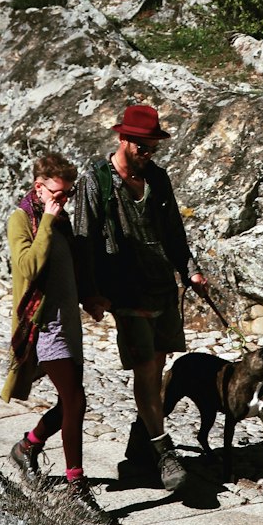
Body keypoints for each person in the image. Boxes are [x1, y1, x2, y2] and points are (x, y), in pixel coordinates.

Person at [72, 103, 206, 494]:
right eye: (143, 147)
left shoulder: (158, 179)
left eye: (153, 147)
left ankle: (141, 441)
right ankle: (164, 454)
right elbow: (84, 242)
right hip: (125, 292)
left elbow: (174, 232)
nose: (148, 154)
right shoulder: (95, 181)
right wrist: (91, 294)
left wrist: (190, 269)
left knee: (157, 368)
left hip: (161, 286)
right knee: (146, 368)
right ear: (124, 139)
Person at [1, 152, 112, 524]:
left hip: (69, 324)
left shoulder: (60, 221)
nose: (63, 200)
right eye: (57, 193)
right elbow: (28, 266)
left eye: (68, 194)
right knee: (76, 400)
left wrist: (91, 298)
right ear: (39, 187)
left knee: (70, 403)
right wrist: (48, 217)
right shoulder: (23, 220)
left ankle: (27, 446)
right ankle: (76, 488)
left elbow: (71, 269)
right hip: (43, 325)